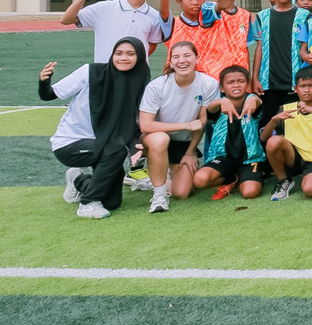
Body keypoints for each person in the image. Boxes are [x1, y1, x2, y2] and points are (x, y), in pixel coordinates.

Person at [39, 37, 152, 218]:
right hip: (70, 143)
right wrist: (44, 81)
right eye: (119, 53)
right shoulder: (90, 71)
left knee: (112, 202)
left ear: (139, 58)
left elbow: (135, 122)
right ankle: (87, 204)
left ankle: (77, 179)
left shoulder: (140, 81)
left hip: (104, 145)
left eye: (131, 54)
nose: (124, 58)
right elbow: (48, 95)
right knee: (115, 151)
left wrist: (136, 147)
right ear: (112, 55)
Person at [137, 39, 219, 210]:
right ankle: (158, 195)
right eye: (176, 57)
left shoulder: (208, 84)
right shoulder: (157, 86)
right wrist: (185, 125)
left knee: (182, 193)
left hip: (183, 142)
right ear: (171, 61)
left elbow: (201, 123)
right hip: (153, 139)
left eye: (187, 55)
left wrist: (190, 152)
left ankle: (151, 181)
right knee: (160, 139)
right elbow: (146, 126)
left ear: (197, 58)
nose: (182, 60)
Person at [60, 0, 169, 61]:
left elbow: (152, 44)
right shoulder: (103, 8)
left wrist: (134, 62)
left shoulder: (154, 16)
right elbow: (66, 20)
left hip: (137, 75)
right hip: (104, 72)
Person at [191, 65, 270, 202]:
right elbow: (210, 108)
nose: (236, 85)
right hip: (223, 157)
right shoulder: (218, 106)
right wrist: (222, 101)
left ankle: (249, 177)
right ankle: (232, 178)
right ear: (222, 88)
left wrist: (253, 98)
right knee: (200, 180)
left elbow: (257, 102)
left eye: (241, 81)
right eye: (230, 82)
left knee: (250, 192)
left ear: (247, 84)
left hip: (250, 159)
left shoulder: (252, 103)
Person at [261, 67, 312, 201]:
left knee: (310, 191)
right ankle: (283, 180)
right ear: (295, 88)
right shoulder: (285, 108)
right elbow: (263, 138)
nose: (306, 90)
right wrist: (273, 120)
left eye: (311, 86)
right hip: (293, 157)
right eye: (302, 86)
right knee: (274, 141)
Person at [248, 0, 303, 120]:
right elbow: (259, 47)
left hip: (295, 82)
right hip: (268, 82)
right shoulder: (262, 16)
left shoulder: (305, 16)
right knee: (267, 123)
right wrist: (255, 78)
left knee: (292, 124)